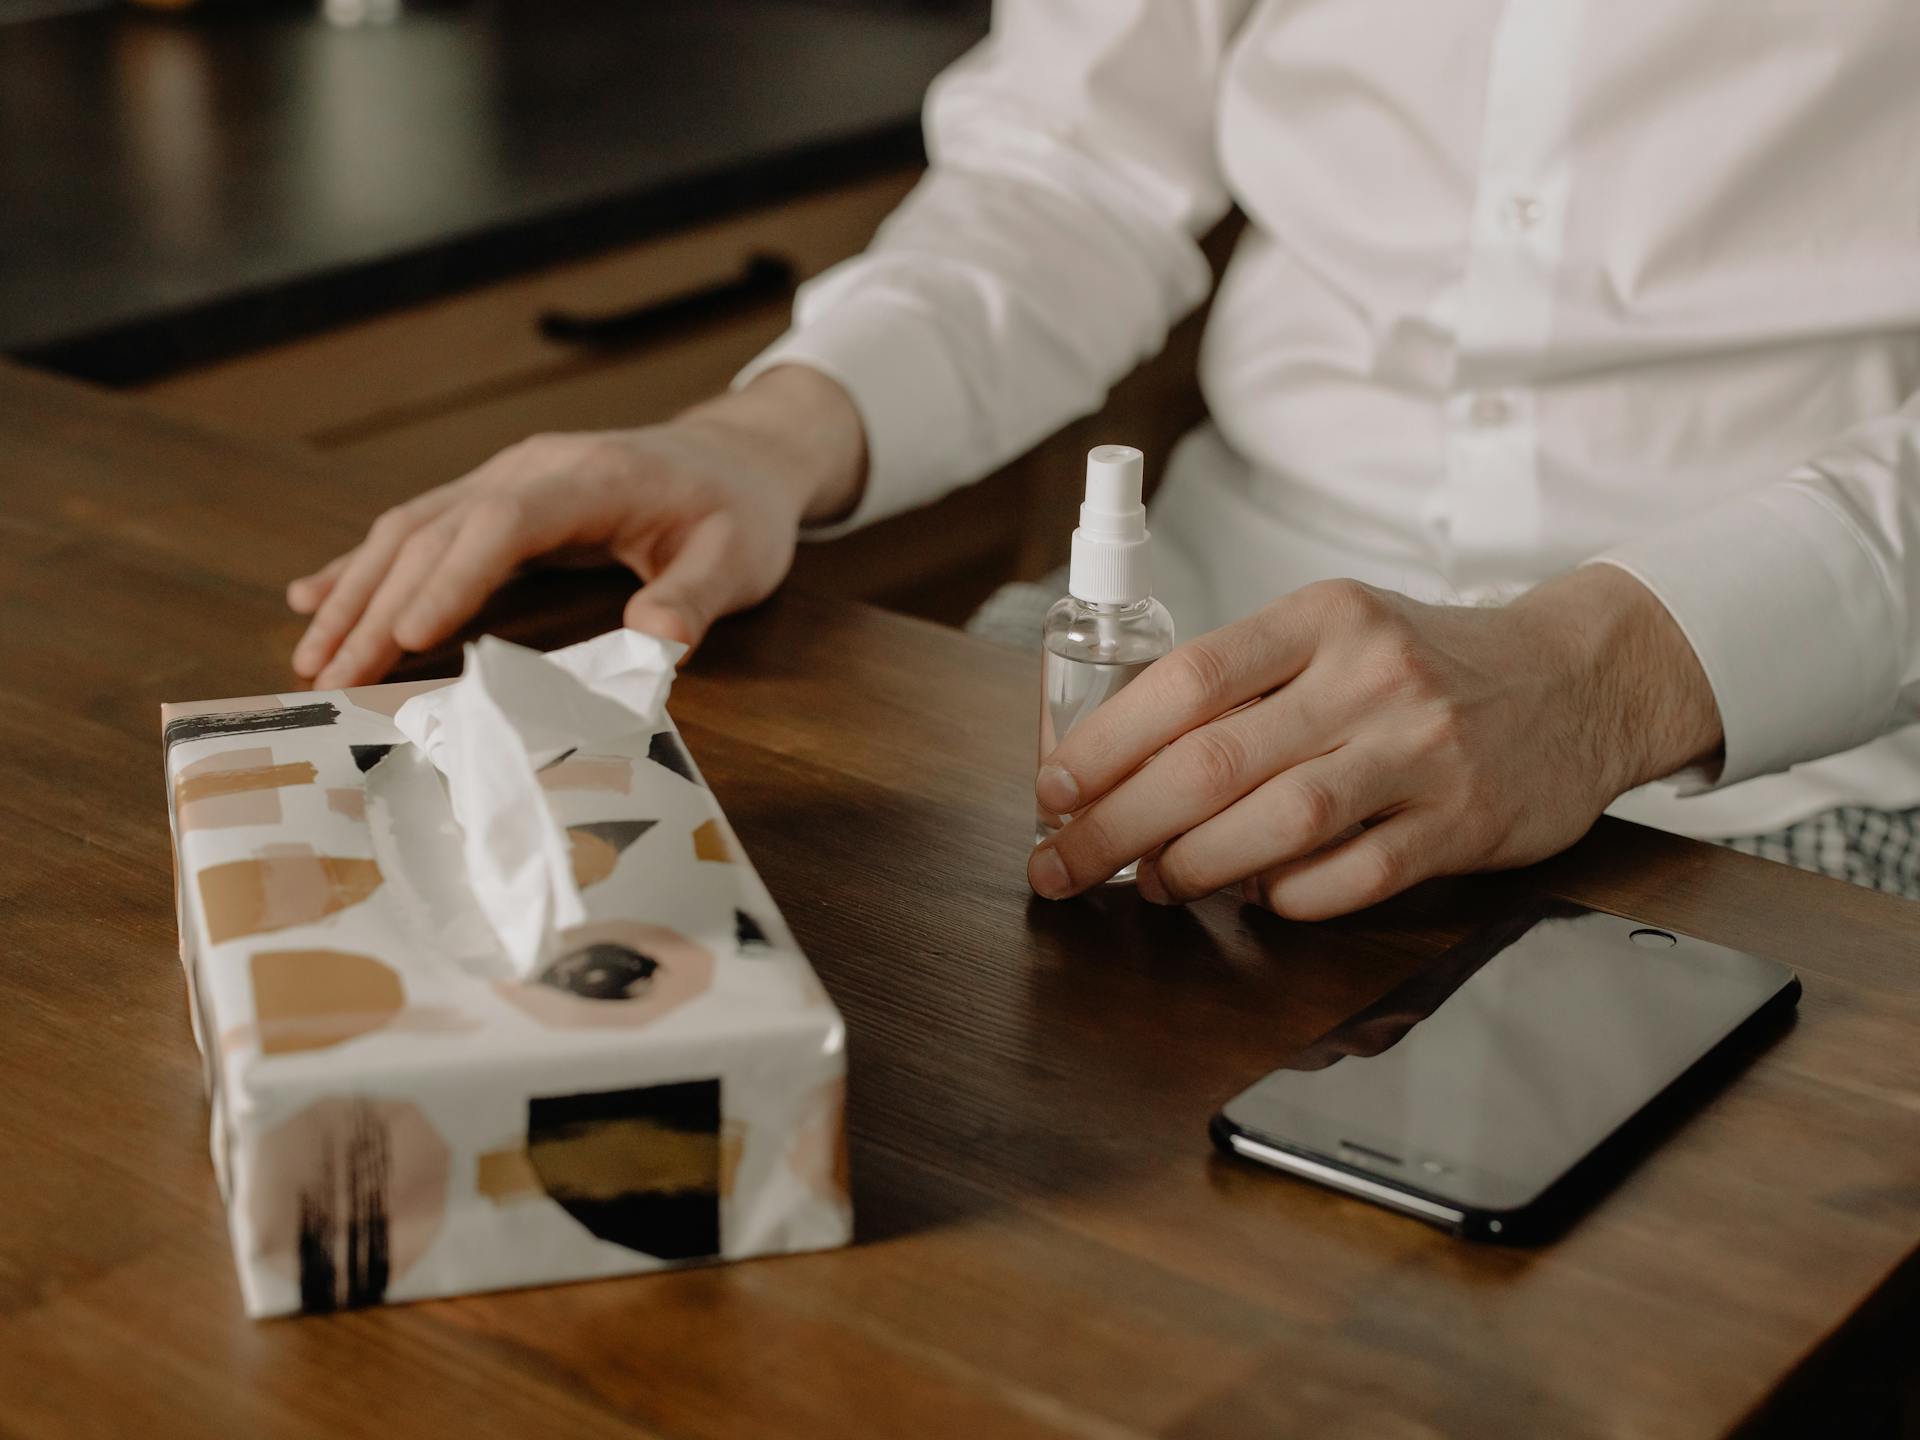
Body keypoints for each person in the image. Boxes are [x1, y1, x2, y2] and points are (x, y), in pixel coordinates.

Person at [286, 1, 1920, 912]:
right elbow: (1073, 166)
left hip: (1789, 760)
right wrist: (762, 433)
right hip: (1175, 666)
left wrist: (1596, 678)